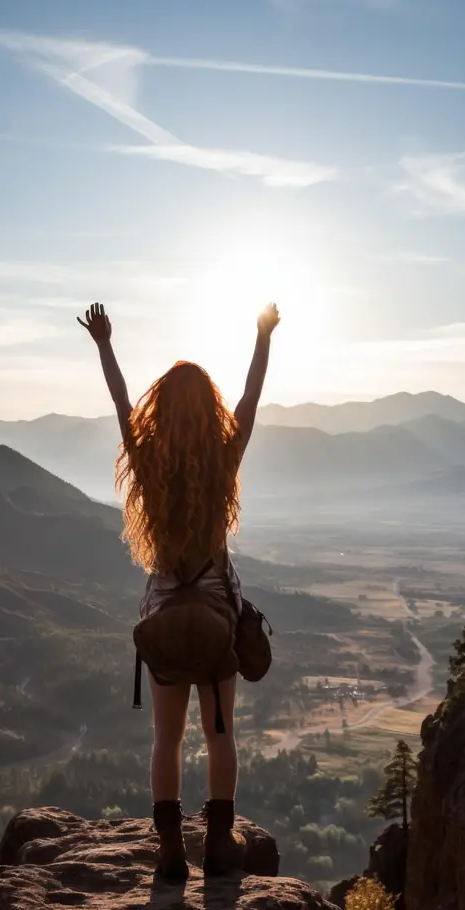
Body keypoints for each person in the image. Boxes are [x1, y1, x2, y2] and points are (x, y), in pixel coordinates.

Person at [78, 300, 280, 878]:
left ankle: (170, 854)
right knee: (220, 736)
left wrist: (105, 346)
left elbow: (121, 403)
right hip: (217, 618)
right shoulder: (224, 461)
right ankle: (219, 845)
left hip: (164, 618)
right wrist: (263, 336)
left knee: (166, 740)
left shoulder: (148, 463)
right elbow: (251, 396)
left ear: (160, 411)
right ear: (208, 410)